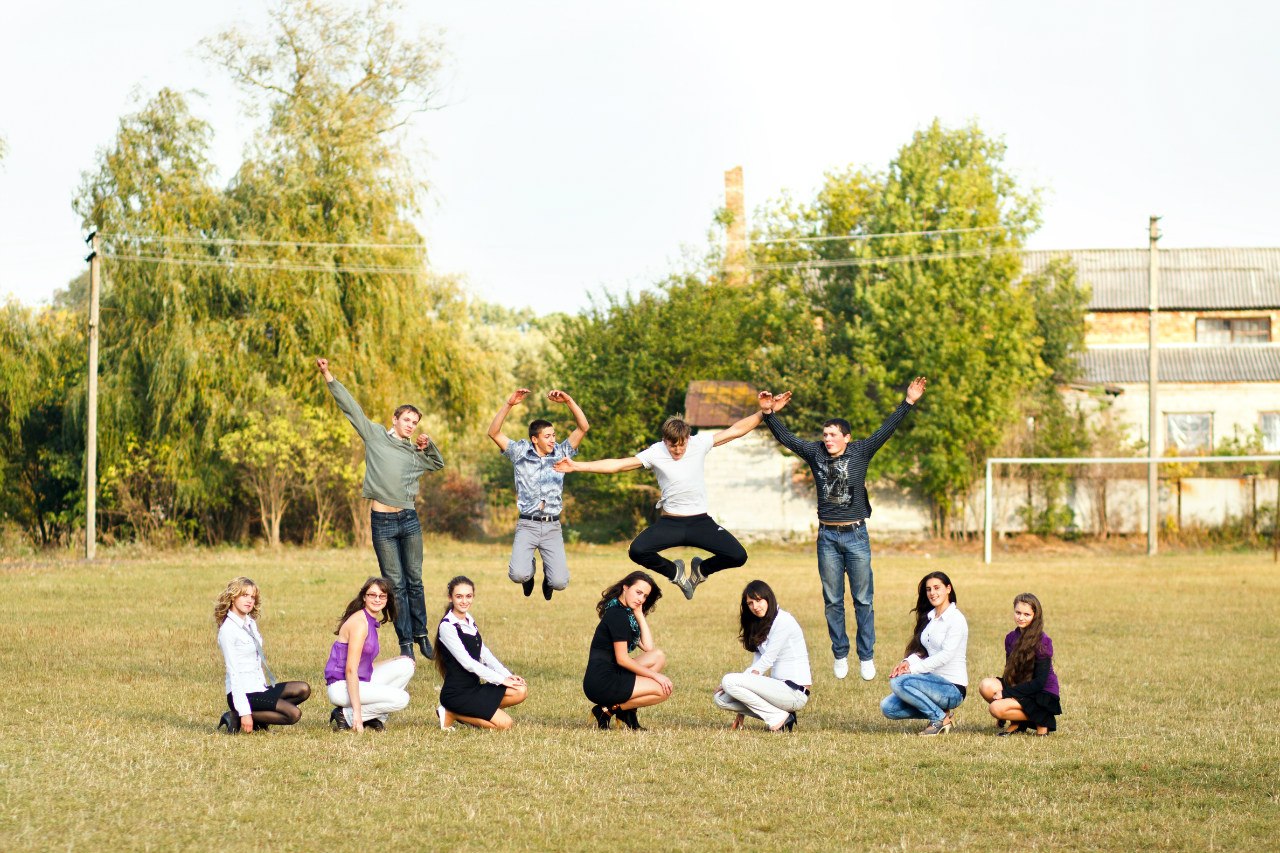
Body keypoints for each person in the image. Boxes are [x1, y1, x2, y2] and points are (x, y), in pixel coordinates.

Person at [759, 377, 927, 681]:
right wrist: (769, 414)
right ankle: (840, 653)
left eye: (833, 435)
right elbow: (788, 439)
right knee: (833, 600)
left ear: (847, 438)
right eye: (825, 434)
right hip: (827, 537)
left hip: (856, 535)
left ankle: (866, 655)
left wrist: (909, 401)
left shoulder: (861, 451)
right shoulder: (815, 453)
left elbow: (886, 429)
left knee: (863, 599)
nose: (827, 439)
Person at [554, 400, 769, 599]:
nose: (678, 450)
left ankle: (701, 570)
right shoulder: (655, 452)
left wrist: (765, 412)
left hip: (700, 522)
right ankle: (675, 572)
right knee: (637, 551)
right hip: (671, 524)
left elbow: (736, 430)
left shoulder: (699, 443)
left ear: (688, 438)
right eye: (672, 445)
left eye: (682, 445)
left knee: (738, 556)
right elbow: (619, 465)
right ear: (664, 440)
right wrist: (577, 466)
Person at [317, 357, 444, 659]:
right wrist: (328, 375)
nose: (411, 425)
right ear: (395, 419)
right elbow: (351, 409)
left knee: (415, 581)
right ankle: (405, 642)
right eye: (407, 420)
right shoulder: (375, 436)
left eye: (415, 423)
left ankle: (422, 635)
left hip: (409, 520)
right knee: (395, 585)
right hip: (383, 523)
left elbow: (437, 464)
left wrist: (428, 445)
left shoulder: (414, 451)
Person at [486, 388, 590, 599]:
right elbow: (494, 433)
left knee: (559, 582)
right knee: (518, 574)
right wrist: (509, 404)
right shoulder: (519, 453)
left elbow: (583, 427)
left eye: (554, 435)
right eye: (547, 436)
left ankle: (549, 579)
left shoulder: (562, 452)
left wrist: (568, 400)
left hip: (552, 526)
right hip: (527, 524)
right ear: (535, 439)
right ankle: (530, 572)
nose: (553, 440)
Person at [214, 577, 311, 734]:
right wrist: (244, 712)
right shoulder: (228, 630)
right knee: (293, 714)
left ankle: (257, 721)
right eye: (244, 595)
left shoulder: (249, 622)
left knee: (303, 689)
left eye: (252, 597)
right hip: (243, 693)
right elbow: (234, 673)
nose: (249, 600)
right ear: (233, 597)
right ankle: (236, 716)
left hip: (259, 688)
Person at [714, 580, 812, 732]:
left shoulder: (784, 621)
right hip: (777, 691)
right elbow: (756, 668)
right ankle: (780, 716)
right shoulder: (761, 625)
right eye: (750, 603)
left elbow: (767, 661)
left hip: (794, 692)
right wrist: (740, 707)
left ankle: (777, 718)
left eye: (759, 600)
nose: (755, 606)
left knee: (728, 681)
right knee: (721, 698)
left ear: (768, 599)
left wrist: (733, 683)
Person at [433, 576, 529, 730]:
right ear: (450, 598)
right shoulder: (447, 626)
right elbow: (468, 663)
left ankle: (473, 711)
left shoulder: (469, 620)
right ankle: (451, 712)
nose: (464, 601)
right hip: (457, 694)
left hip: (474, 689)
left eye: (468, 596)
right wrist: (501, 680)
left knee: (520, 690)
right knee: (505, 724)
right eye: (459, 596)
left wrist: (507, 675)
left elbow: (484, 654)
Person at [880, 570, 968, 736]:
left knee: (899, 682)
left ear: (948, 589)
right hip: (930, 683)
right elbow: (924, 651)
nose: (932, 593)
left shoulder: (956, 619)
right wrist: (907, 662)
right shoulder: (930, 618)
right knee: (888, 707)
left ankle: (938, 718)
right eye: (929, 589)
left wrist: (912, 670)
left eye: (937, 588)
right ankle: (942, 714)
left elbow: (945, 656)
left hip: (952, 688)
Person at [324, 577, 416, 733]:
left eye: (382, 596)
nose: (377, 599)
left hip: (358, 679)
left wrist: (395, 659)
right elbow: (351, 670)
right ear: (364, 597)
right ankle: (346, 715)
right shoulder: (360, 624)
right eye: (372, 595)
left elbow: (363, 665)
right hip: (341, 687)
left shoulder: (369, 620)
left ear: (387, 599)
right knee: (402, 698)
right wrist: (357, 713)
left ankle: (375, 717)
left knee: (406, 665)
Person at [583, 571, 671, 729]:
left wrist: (639, 614)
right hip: (601, 682)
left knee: (658, 656)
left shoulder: (626, 613)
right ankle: (608, 710)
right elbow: (622, 659)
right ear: (625, 587)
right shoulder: (618, 615)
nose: (641, 599)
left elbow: (648, 648)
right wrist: (655, 676)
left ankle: (626, 712)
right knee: (662, 690)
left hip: (613, 671)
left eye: (645, 596)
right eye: (638, 592)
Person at [978, 593, 1062, 736]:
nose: (1021, 618)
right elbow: (1010, 672)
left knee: (995, 708)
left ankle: (1044, 719)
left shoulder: (1043, 641)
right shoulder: (1010, 637)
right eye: (1018, 613)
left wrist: (1005, 694)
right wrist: (1007, 692)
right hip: (1022, 687)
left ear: (1035, 616)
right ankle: (1017, 723)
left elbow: (1039, 683)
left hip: (1041, 692)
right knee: (986, 686)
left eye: (1026, 614)